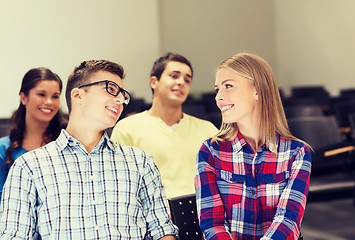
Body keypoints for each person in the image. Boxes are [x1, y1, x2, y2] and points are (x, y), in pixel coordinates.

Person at [0, 60, 178, 239]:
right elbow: (14, 235)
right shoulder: (29, 167)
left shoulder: (141, 162)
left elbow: (162, 230)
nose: (120, 99)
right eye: (111, 89)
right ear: (78, 96)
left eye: (123, 94)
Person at [195, 53, 312, 240]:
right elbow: (212, 224)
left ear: (257, 90)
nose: (218, 97)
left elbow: (288, 222)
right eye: (217, 89)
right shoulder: (210, 152)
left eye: (228, 86)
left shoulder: (297, 153)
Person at [111, 53, 218, 199]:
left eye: (187, 79)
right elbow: (121, 186)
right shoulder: (126, 129)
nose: (181, 82)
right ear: (154, 82)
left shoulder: (208, 130)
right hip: (153, 217)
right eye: (174, 76)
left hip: (202, 215)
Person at [0, 67, 66, 200]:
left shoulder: (65, 143)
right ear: (24, 98)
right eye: (41, 94)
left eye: (55, 96)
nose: (49, 102)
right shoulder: (3, 148)